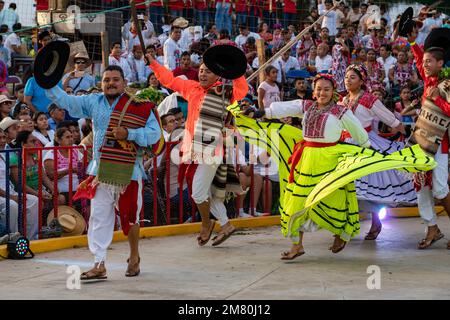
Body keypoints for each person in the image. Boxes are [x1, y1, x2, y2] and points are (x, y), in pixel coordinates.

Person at [237, 73, 435, 259]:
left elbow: (361, 136)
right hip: (306, 160)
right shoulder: (307, 106)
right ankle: (297, 245)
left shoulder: (341, 111)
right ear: (313, 91)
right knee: (295, 202)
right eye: (318, 89)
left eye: (326, 89)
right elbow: (285, 107)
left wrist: (364, 155)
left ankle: (342, 233)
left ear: (333, 92)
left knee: (334, 202)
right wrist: (261, 111)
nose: (322, 93)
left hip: (330, 160)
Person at [45, 65, 163, 279]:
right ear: (101, 83)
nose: (111, 83)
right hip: (100, 171)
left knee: (130, 218)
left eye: (115, 79)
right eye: (107, 80)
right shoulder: (93, 101)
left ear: (124, 83)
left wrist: (129, 133)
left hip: (129, 171)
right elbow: (66, 101)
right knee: (99, 218)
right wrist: (48, 81)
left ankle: (134, 256)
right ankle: (99, 264)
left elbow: (155, 134)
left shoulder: (138, 106)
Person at [147, 47, 248, 247]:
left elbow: (242, 90)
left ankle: (205, 224)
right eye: (201, 70)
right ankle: (226, 225)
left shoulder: (224, 92)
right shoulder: (191, 88)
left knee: (198, 193)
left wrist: (236, 72)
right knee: (211, 193)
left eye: (208, 71)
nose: (203, 73)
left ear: (218, 74)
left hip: (213, 150)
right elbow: (169, 80)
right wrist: (153, 63)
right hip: (194, 150)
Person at [342, 64, 415, 241]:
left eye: (352, 77)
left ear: (361, 81)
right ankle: (346, 226)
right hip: (345, 145)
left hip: (365, 145)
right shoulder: (342, 100)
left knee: (369, 187)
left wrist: (412, 137)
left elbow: (391, 120)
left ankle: (375, 222)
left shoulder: (369, 99)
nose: (348, 80)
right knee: (345, 186)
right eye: (346, 77)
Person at [407, 28, 450, 250]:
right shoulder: (428, 79)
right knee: (421, 185)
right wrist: (413, 42)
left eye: (429, 61)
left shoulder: (447, 84)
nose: (424, 64)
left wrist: (439, 101)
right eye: (424, 61)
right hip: (421, 140)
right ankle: (432, 228)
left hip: (441, 142)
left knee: (440, 189)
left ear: (441, 64)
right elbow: (417, 58)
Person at [0, 128, 39, 240]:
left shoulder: (4, 154)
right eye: (0, 138)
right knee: (12, 205)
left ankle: (29, 238)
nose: (2, 141)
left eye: (3, 137)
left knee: (34, 201)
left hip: (9, 192)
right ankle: (13, 238)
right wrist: (11, 196)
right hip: (4, 195)